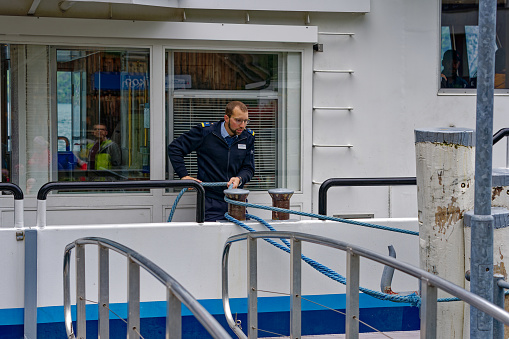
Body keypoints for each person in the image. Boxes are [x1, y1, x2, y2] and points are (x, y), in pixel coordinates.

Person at [168, 101, 255, 222]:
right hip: (210, 202)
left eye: (246, 121)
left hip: (237, 199)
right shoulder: (206, 132)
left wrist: (239, 178)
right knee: (212, 240)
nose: (243, 125)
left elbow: (248, 168)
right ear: (226, 118)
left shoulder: (248, 137)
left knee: (239, 239)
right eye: (238, 120)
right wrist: (184, 175)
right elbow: (175, 148)